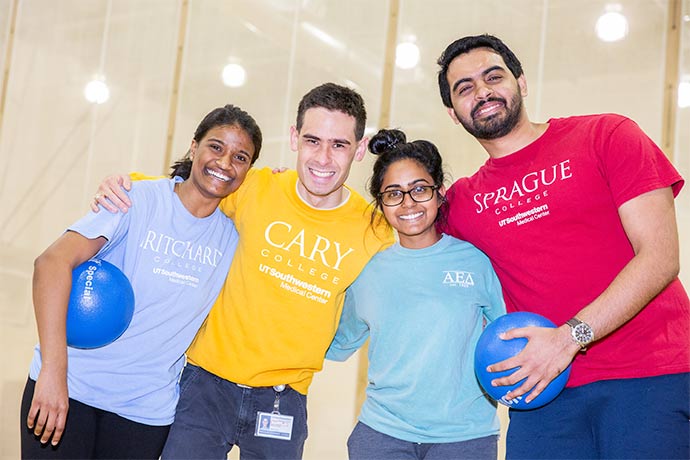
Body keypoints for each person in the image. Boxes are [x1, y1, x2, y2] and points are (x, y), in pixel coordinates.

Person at [91, 83, 395, 459]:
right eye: (313, 140)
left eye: (339, 145)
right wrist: (124, 183)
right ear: (294, 138)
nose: (323, 158)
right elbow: (182, 192)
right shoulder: (253, 186)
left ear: (360, 148)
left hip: (284, 399)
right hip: (203, 387)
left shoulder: (375, 230)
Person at [436, 34, 690, 459]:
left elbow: (661, 256)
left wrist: (570, 338)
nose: (481, 92)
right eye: (465, 88)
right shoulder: (463, 203)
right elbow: (399, 227)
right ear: (453, 112)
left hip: (651, 375)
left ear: (521, 81)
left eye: (493, 76)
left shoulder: (607, 135)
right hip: (543, 396)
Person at [21, 104, 263, 459]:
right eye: (216, 147)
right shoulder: (134, 200)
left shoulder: (234, 238)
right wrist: (54, 374)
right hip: (70, 389)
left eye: (240, 157)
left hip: (144, 413)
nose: (225, 163)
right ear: (193, 147)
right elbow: (51, 264)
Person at [326, 128, 506, 460]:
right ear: (381, 204)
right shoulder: (367, 271)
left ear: (440, 193)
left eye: (419, 189)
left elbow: (508, 336)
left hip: (465, 436)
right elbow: (334, 341)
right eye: (393, 193)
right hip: (382, 435)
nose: (408, 203)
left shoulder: (476, 263)